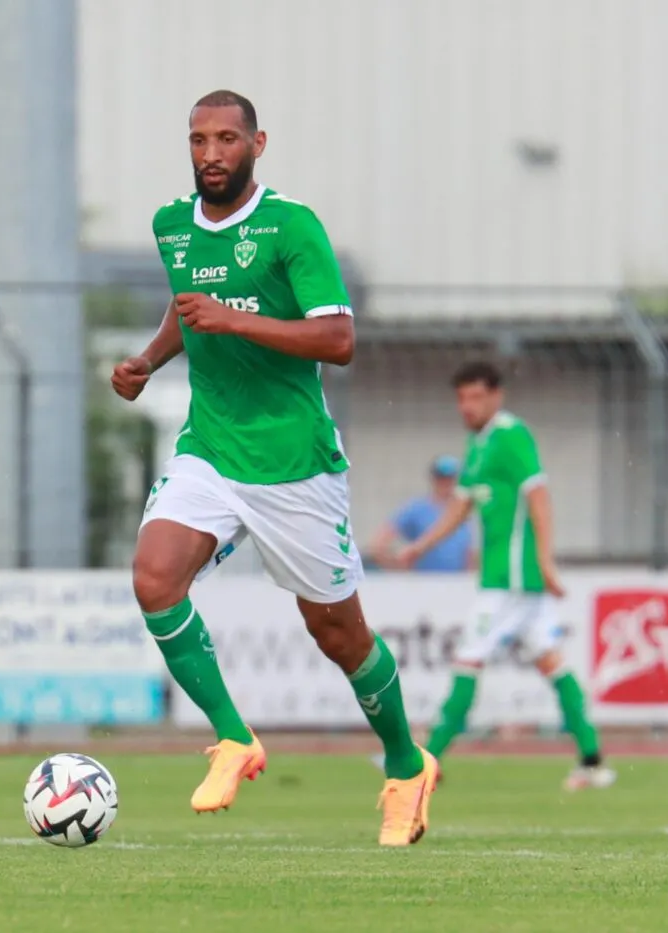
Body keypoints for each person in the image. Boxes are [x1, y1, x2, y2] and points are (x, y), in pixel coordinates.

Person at [110, 90, 438, 846]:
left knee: (338, 633)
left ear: (258, 143)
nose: (211, 153)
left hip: (293, 462)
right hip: (211, 448)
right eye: (198, 139)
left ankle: (404, 763)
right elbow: (185, 306)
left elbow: (338, 340)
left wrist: (234, 320)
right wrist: (148, 361)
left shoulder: (291, 226)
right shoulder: (172, 225)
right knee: (154, 577)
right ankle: (232, 736)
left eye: (227, 138)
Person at [395, 361, 614, 791]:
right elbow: (460, 507)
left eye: (476, 397)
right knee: (551, 662)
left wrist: (546, 562)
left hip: (510, 579)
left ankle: (428, 760)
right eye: (461, 398)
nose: (467, 406)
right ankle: (592, 760)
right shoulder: (477, 445)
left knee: (467, 659)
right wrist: (422, 545)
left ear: (497, 396)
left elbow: (539, 496)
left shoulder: (511, 435)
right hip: (512, 581)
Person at [368, 456, 475, 572]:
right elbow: (378, 545)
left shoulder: (464, 511)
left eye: (451, 478)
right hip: (425, 582)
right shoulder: (417, 509)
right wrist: (396, 567)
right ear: (434, 479)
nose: (446, 483)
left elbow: (467, 551)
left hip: (457, 582)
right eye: (441, 478)